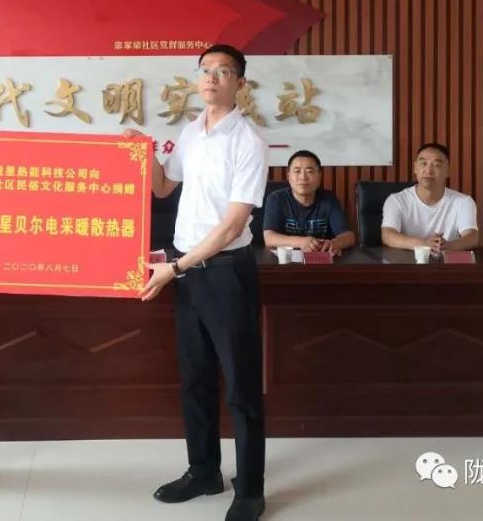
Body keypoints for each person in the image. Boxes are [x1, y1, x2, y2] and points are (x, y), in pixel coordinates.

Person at [127, 43, 270, 521]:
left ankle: (250, 490)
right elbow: (163, 187)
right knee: (196, 379)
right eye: (205, 70)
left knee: (241, 387)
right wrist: (144, 152)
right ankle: (204, 471)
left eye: (223, 71)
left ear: (240, 84)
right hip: (187, 273)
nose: (212, 77)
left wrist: (177, 267)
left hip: (225, 273)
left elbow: (232, 227)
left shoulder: (248, 141)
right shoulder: (190, 132)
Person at [381, 142, 480, 254]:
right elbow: (387, 235)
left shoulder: (463, 202)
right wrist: (424, 245)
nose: (428, 170)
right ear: (415, 168)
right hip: (407, 262)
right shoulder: (397, 200)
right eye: (423, 163)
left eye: (437, 165)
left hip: (446, 261)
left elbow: (472, 237)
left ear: (447, 171)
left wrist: (447, 246)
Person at [262, 150, 355, 255]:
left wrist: (334, 243)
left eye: (309, 171)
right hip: (285, 261)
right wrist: (302, 242)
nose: (303, 177)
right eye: (297, 171)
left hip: (319, 260)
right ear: (289, 176)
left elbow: (348, 237)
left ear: (319, 176)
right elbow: (269, 238)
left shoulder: (329, 199)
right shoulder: (276, 199)